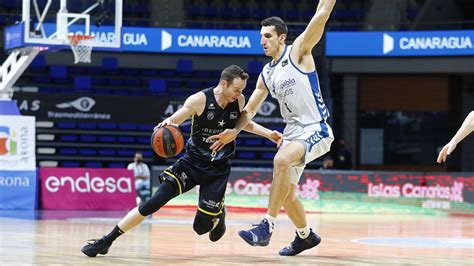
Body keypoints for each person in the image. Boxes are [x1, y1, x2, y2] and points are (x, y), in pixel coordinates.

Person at [81, 65, 282, 257]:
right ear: (223, 83)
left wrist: (267, 134)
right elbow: (178, 117)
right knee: (152, 203)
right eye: (236, 90)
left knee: (201, 229)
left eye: (241, 91)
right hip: (191, 164)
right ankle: (106, 241)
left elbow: (244, 122)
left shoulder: (238, 102)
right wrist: (168, 123)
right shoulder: (199, 100)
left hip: (217, 170)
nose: (239, 95)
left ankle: (219, 213)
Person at [208, 0, 336, 256]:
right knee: (286, 195)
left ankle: (266, 226)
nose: (263, 41)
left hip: (316, 128)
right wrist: (234, 130)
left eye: (267, 36)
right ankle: (305, 236)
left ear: (282, 38)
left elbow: (321, 14)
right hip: (292, 133)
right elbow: (250, 110)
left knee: (280, 160)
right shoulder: (266, 73)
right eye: (261, 37)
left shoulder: (299, 51)